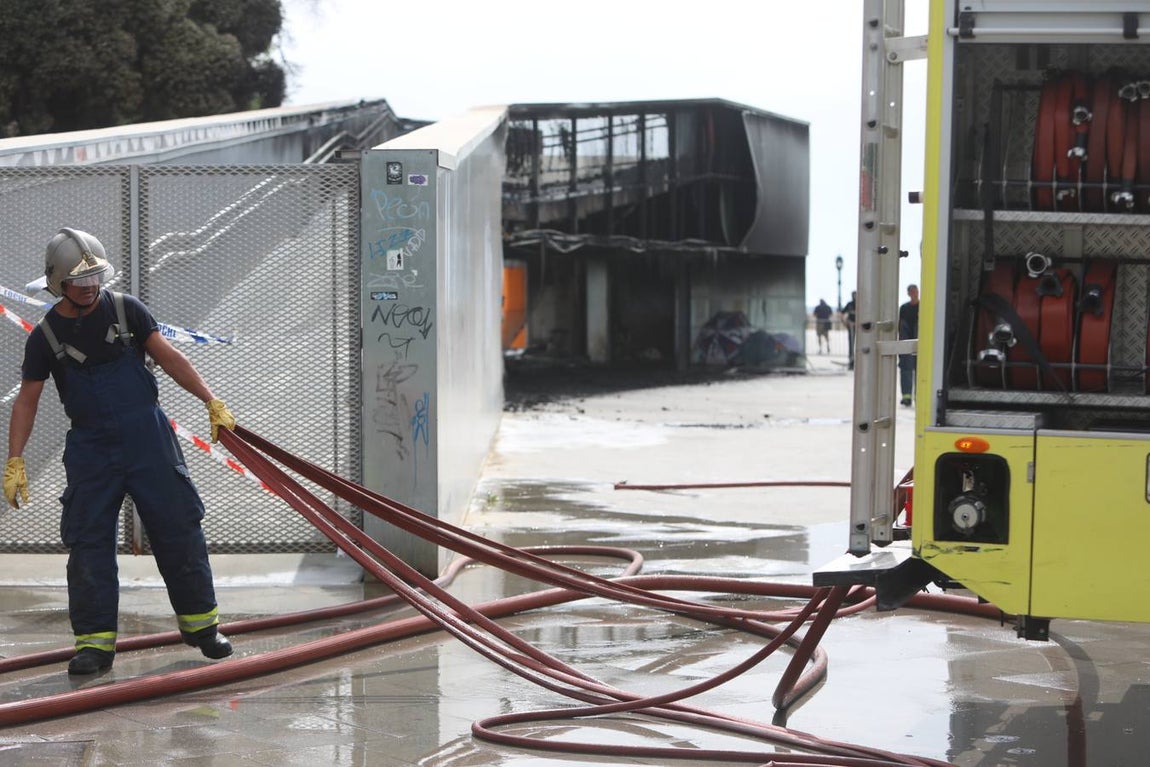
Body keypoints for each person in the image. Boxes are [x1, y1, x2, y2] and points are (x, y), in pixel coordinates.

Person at [3, 228, 238, 675]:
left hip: (147, 438)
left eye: (95, 278)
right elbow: (27, 400)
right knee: (89, 542)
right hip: (91, 448)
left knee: (178, 527)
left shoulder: (128, 310)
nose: (91, 287)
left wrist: (211, 400)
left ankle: (203, 629)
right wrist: (16, 459)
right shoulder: (46, 336)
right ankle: (94, 646)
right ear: (57, 282)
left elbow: (171, 359)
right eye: (81, 281)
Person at [898, 284, 920, 406]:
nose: (914, 293)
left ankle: (919, 396)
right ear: (908, 293)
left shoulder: (923, 306)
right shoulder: (904, 308)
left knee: (920, 370)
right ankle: (906, 397)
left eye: (915, 291)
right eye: (911, 291)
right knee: (906, 370)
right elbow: (900, 326)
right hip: (906, 344)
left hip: (920, 343)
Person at [842, 291, 857, 370]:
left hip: (861, 328)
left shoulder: (862, 304)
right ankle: (851, 362)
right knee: (851, 345)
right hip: (851, 328)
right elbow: (842, 313)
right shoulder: (850, 304)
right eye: (854, 295)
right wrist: (845, 322)